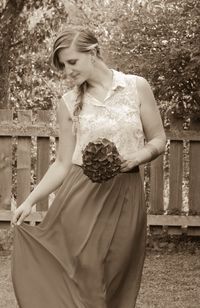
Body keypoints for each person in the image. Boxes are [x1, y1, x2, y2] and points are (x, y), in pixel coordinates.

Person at [11, 28, 166, 308]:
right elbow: (62, 163)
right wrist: (30, 201)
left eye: (72, 62)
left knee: (119, 275)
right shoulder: (68, 103)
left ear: (93, 52)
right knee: (86, 275)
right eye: (62, 66)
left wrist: (137, 157)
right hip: (81, 196)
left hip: (127, 196)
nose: (67, 71)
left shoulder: (136, 87)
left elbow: (159, 139)